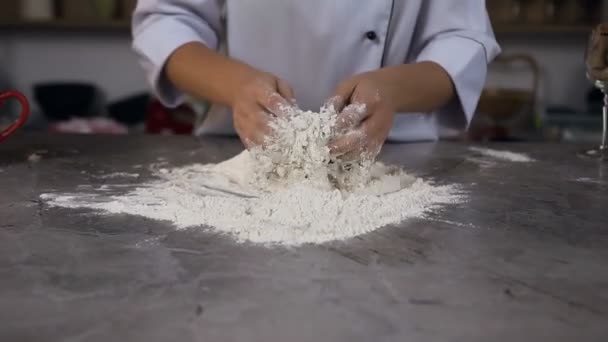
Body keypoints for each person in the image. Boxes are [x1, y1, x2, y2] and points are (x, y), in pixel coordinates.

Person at [132, 0, 500, 159]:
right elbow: (167, 20)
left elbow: (461, 39)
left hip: (397, 156)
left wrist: (394, 91)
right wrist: (235, 85)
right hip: (245, 151)